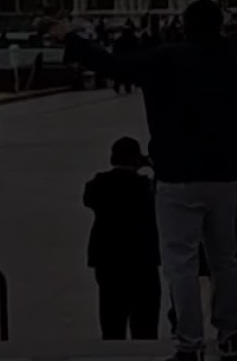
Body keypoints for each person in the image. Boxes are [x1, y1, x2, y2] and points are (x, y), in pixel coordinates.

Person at [62, 0, 237, 361]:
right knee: (224, 260)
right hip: (225, 177)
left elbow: (113, 66)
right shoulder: (234, 69)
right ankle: (229, 337)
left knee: (180, 264)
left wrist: (72, 38)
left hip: (177, 177)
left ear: (184, 25)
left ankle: (190, 344)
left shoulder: (167, 60)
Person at [84, 137, 161, 340]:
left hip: (108, 262)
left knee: (111, 326)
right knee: (145, 327)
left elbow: (88, 198)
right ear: (137, 160)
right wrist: (153, 165)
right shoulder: (146, 188)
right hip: (143, 262)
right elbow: (164, 191)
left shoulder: (99, 185)